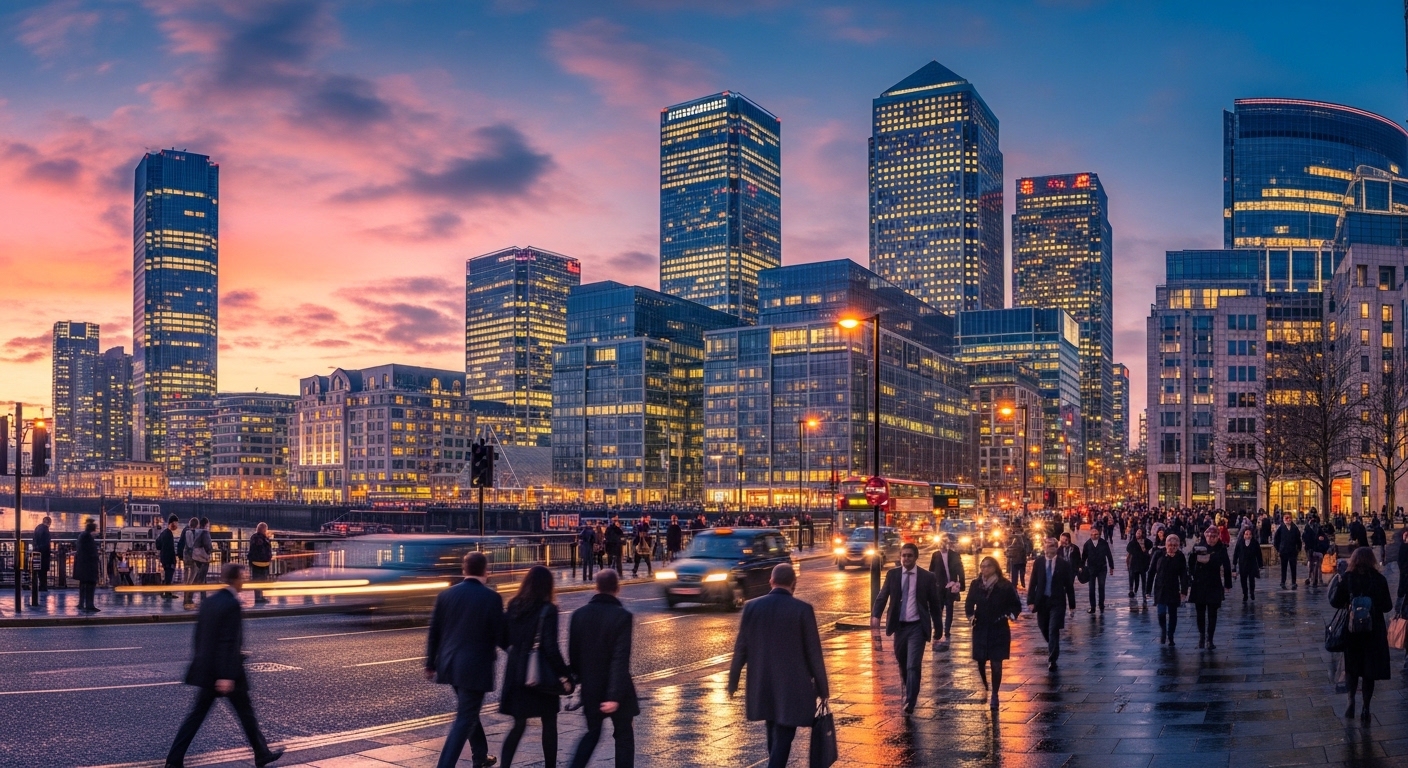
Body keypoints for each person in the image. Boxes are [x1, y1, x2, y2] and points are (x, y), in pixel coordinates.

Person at [164, 563, 284, 768]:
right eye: (243, 577)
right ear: (235, 579)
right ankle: (261, 753)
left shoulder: (210, 601)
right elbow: (228, 641)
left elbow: (200, 636)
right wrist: (226, 675)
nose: (245, 581)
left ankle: (174, 761)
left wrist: (202, 663)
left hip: (208, 668)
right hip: (226, 673)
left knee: (204, 716)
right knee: (242, 713)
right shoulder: (232, 604)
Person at [729, 563, 830, 767]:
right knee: (784, 736)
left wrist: (733, 681)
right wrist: (822, 688)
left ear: (771, 581)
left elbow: (741, 649)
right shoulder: (803, 610)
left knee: (773, 732)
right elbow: (814, 653)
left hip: (763, 684)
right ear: (794, 583)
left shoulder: (752, 607)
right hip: (792, 688)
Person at [425, 552, 508, 768]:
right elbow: (501, 636)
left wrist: (430, 663)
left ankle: (480, 756)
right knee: (464, 718)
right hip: (475, 667)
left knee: (469, 712)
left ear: (464, 570)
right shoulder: (492, 598)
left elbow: (434, 631)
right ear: (486, 571)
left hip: (449, 664)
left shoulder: (446, 595)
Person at [498, 566, 572, 768]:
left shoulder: (514, 604)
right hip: (540, 672)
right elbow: (550, 646)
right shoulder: (548, 609)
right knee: (549, 722)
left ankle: (505, 765)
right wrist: (564, 675)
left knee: (518, 724)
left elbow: (501, 636)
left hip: (517, 671)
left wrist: (515, 652)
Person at [568, 570, 637, 768]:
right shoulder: (622, 616)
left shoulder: (578, 615)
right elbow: (620, 658)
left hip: (591, 687)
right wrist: (614, 696)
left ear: (596, 587)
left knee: (592, 734)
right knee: (624, 735)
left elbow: (574, 655)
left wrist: (580, 681)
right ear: (617, 588)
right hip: (618, 688)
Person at [871, 543, 944, 713]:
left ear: (916, 557)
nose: (906, 559)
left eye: (910, 555)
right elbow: (882, 597)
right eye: (903, 555)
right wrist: (875, 616)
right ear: (900, 557)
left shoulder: (927, 577)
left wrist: (938, 628)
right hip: (900, 627)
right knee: (903, 663)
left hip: (917, 627)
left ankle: (911, 700)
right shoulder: (893, 575)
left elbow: (934, 604)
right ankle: (908, 688)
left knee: (913, 664)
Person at [1329, 547, 1394, 725]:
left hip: (1352, 631)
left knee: (1352, 667)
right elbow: (1387, 606)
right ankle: (1366, 706)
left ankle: (1351, 700)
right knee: (1369, 671)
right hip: (1373, 630)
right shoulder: (1379, 579)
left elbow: (1334, 601)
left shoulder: (1348, 578)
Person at [965, 556, 1023, 710]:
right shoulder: (976, 584)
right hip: (981, 627)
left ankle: (995, 694)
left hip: (999, 628)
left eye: (987, 566)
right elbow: (969, 603)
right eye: (982, 566)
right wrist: (971, 617)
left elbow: (1016, 605)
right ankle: (985, 684)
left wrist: (1010, 615)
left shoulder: (1004, 585)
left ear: (994, 568)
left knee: (996, 663)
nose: (984, 569)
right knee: (980, 661)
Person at [1027, 538, 1076, 671]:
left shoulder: (1064, 564)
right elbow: (1033, 583)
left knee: (1053, 628)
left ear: (1056, 548)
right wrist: (1030, 601)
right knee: (1044, 628)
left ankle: (1052, 659)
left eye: (1052, 546)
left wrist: (1072, 605)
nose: (1050, 549)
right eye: (1047, 546)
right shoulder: (1039, 563)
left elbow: (1069, 586)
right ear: (1044, 548)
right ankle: (1053, 645)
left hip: (1057, 602)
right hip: (1042, 601)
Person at [1188, 526, 1232, 649]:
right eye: (1208, 536)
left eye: (1214, 537)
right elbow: (1190, 564)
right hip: (1199, 582)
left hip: (1214, 582)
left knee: (1213, 613)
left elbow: (1226, 566)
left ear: (1218, 537)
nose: (1211, 539)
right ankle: (1202, 637)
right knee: (1200, 613)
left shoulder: (1221, 548)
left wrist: (1227, 584)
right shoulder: (1198, 547)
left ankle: (1210, 639)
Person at [1150, 534, 1190, 646]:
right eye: (1170, 545)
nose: (1172, 547)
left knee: (1173, 614)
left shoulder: (1180, 556)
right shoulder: (1158, 554)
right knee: (1161, 612)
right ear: (1166, 544)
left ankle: (1171, 635)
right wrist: (1148, 590)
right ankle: (1163, 630)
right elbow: (1152, 571)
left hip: (1173, 588)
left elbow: (1183, 575)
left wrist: (1184, 591)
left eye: (1174, 545)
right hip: (1160, 587)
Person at [927, 535, 965, 645]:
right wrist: (931, 586)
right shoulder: (935, 555)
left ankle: (947, 630)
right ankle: (938, 630)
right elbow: (931, 571)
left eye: (944, 543)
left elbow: (960, 570)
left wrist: (960, 584)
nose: (942, 545)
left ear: (948, 544)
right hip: (939, 587)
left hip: (951, 587)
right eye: (941, 543)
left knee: (949, 608)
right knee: (938, 610)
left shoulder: (954, 555)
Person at [1081, 526, 1115, 613]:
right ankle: (1092, 607)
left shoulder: (1104, 543)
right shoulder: (1087, 544)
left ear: (1099, 534)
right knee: (1091, 588)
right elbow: (1084, 557)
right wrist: (1081, 567)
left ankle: (1101, 605)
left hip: (1102, 568)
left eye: (1096, 534)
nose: (1094, 536)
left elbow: (1109, 555)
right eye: (1092, 534)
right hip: (1091, 569)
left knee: (1101, 587)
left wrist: (1111, 567)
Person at [181, 517, 212, 609]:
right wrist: (209, 552)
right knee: (201, 579)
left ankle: (188, 598)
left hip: (191, 557)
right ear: (205, 525)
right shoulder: (204, 533)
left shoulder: (190, 532)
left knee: (192, 579)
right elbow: (208, 545)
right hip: (202, 558)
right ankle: (200, 598)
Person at [1232, 527, 1264, 602]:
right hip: (1242, 564)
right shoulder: (1240, 542)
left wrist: (1260, 565)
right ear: (1243, 535)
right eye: (1246, 534)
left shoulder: (1255, 542)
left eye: (1249, 534)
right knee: (1243, 580)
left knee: (1251, 580)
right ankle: (1245, 594)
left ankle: (1252, 592)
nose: (1248, 536)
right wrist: (1234, 564)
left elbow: (1258, 554)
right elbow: (1236, 553)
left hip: (1252, 564)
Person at [74, 520, 100, 613]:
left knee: (83, 585)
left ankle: (81, 603)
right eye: (95, 530)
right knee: (90, 585)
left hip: (82, 566)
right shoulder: (88, 538)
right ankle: (89, 605)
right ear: (92, 530)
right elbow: (91, 552)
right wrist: (96, 556)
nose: (96, 532)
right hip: (89, 566)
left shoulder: (82, 536)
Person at [1273, 514, 1301, 589]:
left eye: (1289, 518)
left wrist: (1298, 548)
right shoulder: (1281, 528)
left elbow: (1298, 539)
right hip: (1284, 551)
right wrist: (1278, 549)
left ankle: (1294, 582)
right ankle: (1283, 581)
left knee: (1293, 567)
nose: (1288, 519)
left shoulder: (1295, 528)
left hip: (1292, 551)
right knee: (1283, 567)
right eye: (1286, 518)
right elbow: (1276, 539)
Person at [248, 523, 273, 605]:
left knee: (257, 580)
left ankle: (259, 596)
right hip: (262, 562)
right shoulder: (262, 538)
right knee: (261, 580)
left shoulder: (254, 537)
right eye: (266, 529)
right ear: (264, 530)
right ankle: (259, 597)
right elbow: (263, 549)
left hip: (256, 562)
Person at [1126, 527, 1152, 601]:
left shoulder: (1146, 542)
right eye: (1137, 532)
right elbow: (1128, 554)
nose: (1139, 534)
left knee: (1143, 578)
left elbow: (1149, 547)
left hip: (1143, 563)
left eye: (1140, 532)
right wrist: (1127, 563)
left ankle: (1144, 592)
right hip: (1134, 563)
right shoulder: (1132, 543)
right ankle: (1132, 590)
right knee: (1133, 577)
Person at [157, 516, 180, 599]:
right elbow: (170, 549)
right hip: (169, 560)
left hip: (164, 558)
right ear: (172, 523)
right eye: (176, 523)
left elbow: (158, 544)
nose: (177, 525)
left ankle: (167, 592)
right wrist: (173, 560)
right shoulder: (169, 534)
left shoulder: (163, 533)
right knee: (169, 577)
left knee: (167, 576)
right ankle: (167, 593)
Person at [32, 517, 51, 592]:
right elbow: (46, 543)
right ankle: (43, 586)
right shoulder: (46, 530)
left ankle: (39, 585)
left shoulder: (37, 528)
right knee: (44, 571)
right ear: (49, 522)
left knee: (38, 570)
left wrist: (36, 548)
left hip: (37, 552)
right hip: (44, 553)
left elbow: (34, 539)